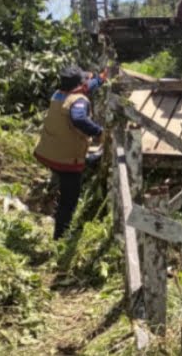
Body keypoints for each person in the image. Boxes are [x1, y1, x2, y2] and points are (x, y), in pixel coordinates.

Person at [34, 66, 106, 239]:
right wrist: (99, 131)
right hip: (65, 160)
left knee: (71, 174)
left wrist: (101, 79)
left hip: (48, 152)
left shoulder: (58, 95)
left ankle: (86, 161)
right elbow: (79, 118)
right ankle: (61, 236)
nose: (86, 82)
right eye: (84, 80)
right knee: (69, 199)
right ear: (79, 84)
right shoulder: (78, 101)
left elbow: (88, 87)